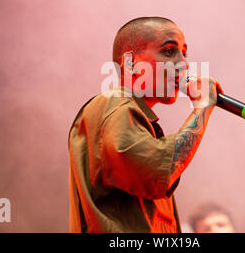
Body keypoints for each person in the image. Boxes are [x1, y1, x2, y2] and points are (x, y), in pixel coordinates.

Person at [68, 16, 222, 232]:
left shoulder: (130, 114)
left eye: (184, 53)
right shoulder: (114, 103)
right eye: (169, 51)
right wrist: (202, 108)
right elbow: (158, 171)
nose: (184, 64)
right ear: (130, 62)